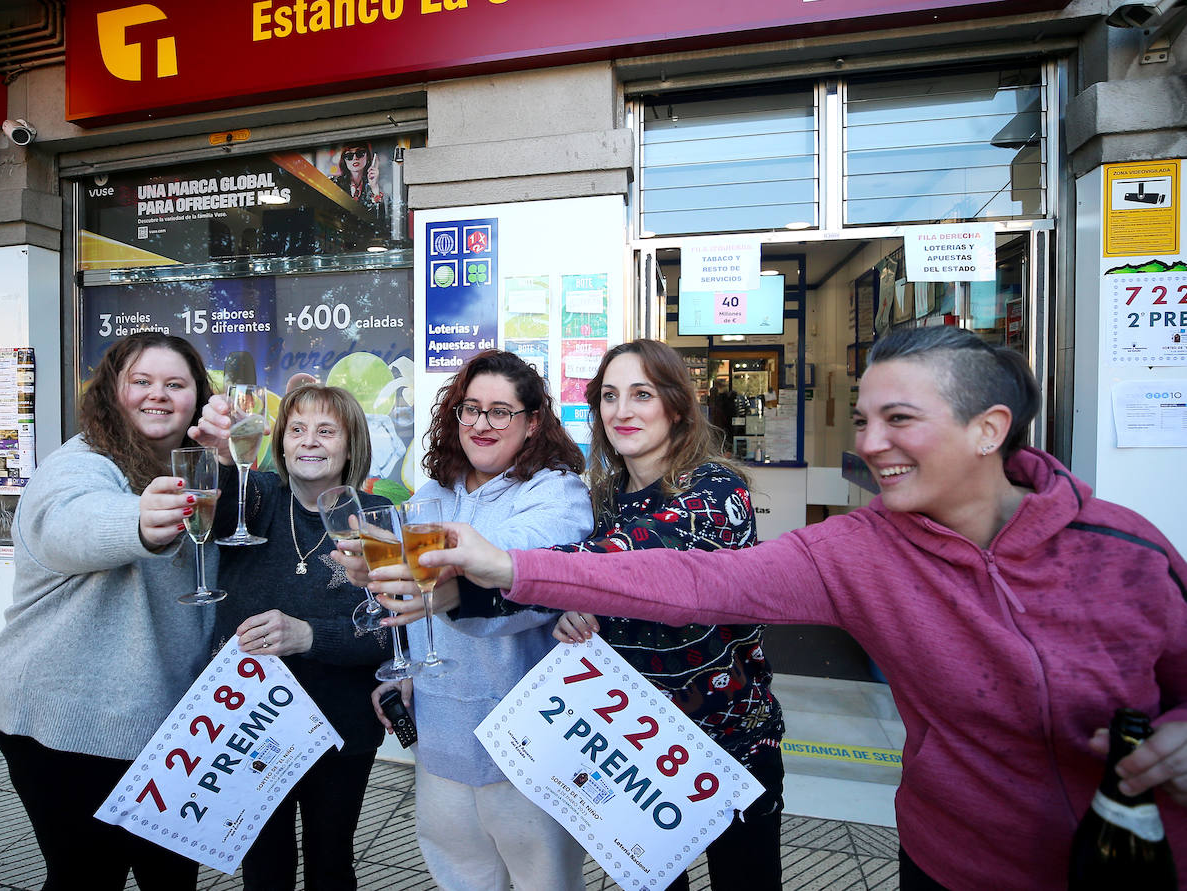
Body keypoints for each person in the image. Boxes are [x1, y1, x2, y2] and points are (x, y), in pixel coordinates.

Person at [424, 326, 1187, 891]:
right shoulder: (860, 545)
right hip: (667, 756)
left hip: (733, 745)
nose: (870, 443)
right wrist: (564, 599)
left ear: (988, 428)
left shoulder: (1128, 552)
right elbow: (666, 585)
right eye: (862, 420)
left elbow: (679, 575)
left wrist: (512, 569)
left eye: (898, 419)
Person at [438, 339, 786, 890]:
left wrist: (507, 565)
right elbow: (577, 588)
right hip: (633, 752)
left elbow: (634, 560)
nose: (622, 411)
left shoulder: (716, 492)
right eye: (609, 396)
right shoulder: (602, 500)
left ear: (675, 405)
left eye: (641, 394)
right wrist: (446, 597)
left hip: (725, 749)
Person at [339, 350, 593, 891]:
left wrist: (436, 577)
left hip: (526, 741)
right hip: (440, 734)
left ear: (531, 424)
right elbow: (410, 589)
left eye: (501, 411)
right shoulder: (433, 493)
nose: (481, 423)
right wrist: (381, 592)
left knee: (543, 880)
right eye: (470, 409)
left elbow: (526, 568)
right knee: (461, 876)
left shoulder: (557, 492)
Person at [0, 332, 215, 891]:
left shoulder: (206, 471)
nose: (157, 395)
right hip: (65, 722)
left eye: (175, 385)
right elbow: (69, 521)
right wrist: (140, 522)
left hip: (170, 727)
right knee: (86, 878)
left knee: (174, 877)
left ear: (196, 400)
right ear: (114, 391)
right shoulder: (79, 463)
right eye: (141, 382)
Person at [194, 383, 391, 891]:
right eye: (297, 429)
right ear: (279, 443)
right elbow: (215, 483)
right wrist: (216, 447)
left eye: (326, 431)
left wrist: (308, 635)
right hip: (252, 724)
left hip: (340, 723)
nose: (309, 441)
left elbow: (391, 636)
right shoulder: (253, 498)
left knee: (331, 860)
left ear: (351, 446)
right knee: (264, 862)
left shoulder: (379, 519)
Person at [332, 141, 383, 212]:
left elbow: (379, 219)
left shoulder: (374, 185)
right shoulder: (334, 184)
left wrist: (374, 188)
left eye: (360, 153)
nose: (355, 158)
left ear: (367, 156)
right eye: (349, 156)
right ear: (344, 160)